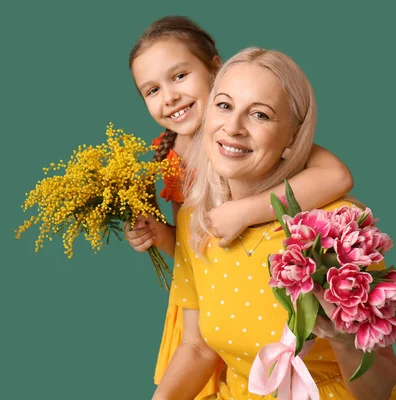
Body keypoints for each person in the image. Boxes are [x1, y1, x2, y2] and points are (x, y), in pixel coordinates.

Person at [152, 47, 396, 400]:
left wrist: (344, 338)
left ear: (292, 137)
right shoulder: (195, 219)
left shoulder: (336, 231)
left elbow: (378, 391)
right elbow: (196, 348)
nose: (233, 127)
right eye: (224, 106)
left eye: (259, 115)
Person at [127, 16, 354, 399]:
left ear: (217, 69)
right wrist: (157, 234)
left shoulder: (265, 136)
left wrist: (245, 211)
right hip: (210, 306)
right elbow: (196, 252)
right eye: (152, 90)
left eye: (179, 76)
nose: (169, 97)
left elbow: (336, 176)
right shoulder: (166, 157)